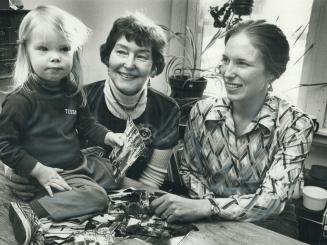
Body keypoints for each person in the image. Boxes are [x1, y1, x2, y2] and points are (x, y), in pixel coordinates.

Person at [151, 20, 314, 239]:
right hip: (204, 211)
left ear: (272, 73)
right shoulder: (202, 111)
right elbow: (189, 171)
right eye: (225, 60)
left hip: (269, 223)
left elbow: (272, 200)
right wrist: (207, 206)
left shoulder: (296, 124)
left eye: (242, 63)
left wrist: (209, 207)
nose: (227, 72)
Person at [0, 5, 127, 245]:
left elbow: (87, 125)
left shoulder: (73, 92)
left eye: (64, 49)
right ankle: (32, 210)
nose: (55, 56)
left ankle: (70, 196)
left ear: (74, 53)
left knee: (111, 171)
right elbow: (5, 145)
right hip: (44, 175)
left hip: (75, 164)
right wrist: (38, 170)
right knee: (99, 199)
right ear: (26, 52)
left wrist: (109, 136)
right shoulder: (20, 100)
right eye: (43, 49)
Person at [83, 12, 180, 188]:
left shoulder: (167, 109)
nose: (129, 64)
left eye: (142, 56)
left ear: (154, 67)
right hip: (81, 195)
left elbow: (152, 181)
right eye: (121, 52)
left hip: (138, 201)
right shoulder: (78, 100)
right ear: (107, 56)